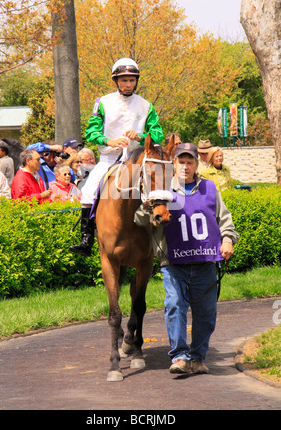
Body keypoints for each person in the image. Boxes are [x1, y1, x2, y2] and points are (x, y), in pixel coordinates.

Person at [134, 143, 239, 375]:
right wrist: (145, 210)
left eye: (189, 162)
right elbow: (139, 222)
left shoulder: (211, 189)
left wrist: (228, 240)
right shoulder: (161, 192)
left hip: (205, 262)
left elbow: (225, 220)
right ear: (174, 164)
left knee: (206, 313)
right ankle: (180, 356)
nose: (185, 166)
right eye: (181, 162)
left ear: (196, 164)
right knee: (174, 306)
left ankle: (198, 357)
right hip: (173, 263)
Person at [69, 57, 163, 256]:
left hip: (138, 160)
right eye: (123, 80)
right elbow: (90, 132)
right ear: (115, 81)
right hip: (109, 160)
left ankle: (164, 236)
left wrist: (141, 136)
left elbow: (158, 135)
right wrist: (108, 141)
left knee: (163, 189)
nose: (128, 85)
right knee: (87, 194)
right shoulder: (102, 102)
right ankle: (86, 240)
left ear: (136, 81)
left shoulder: (146, 105)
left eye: (131, 80)